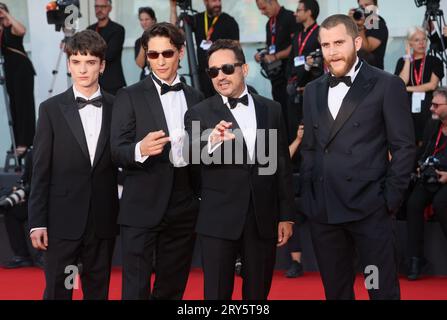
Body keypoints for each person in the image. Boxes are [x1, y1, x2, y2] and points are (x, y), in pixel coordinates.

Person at [301, 14, 416, 300]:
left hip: (369, 214)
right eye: (326, 45)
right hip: (325, 214)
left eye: (338, 43)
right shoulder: (313, 90)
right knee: (336, 292)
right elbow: (310, 149)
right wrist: (310, 197)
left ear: (356, 42)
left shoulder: (386, 85)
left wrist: (388, 201)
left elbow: (404, 148)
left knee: (379, 290)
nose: (332, 52)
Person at [184, 39, 296, 300]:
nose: (220, 76)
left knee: (257, 294)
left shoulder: (271, 109)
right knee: (216, 295)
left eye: (226, 68)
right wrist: (210, 140)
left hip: (262, 219)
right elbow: (189, 156)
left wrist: (286, 215)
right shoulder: (199, 112)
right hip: (218, 220)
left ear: (244, 69)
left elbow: (279, 165)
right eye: (213, 72)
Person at [111, 22, 203, 300]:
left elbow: (199, 151)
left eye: (167, 53)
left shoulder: (196, 97)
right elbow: (116, 150)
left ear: (181, 52)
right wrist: (140, 148)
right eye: (153, 55)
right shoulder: (129, 95)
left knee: (172, 287)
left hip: (183, 203)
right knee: (135, 288)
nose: (160, 61)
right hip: (142, 201)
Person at [28, 30, 119, 300]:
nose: (83, 69)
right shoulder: (50, 109)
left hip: (102, 219)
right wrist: (37, 222)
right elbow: (40, 170)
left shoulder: (119, 106)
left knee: (97, 291)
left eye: (90, 62)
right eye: (77, 62)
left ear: (101, 66)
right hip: (62, 220)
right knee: (59, 290)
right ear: (68, 65)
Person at [405, 87, 447, 281]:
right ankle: (415, 258)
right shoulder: (432, 125)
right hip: (430, 177)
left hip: (446, 179)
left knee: (441, 203)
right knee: (413, 204)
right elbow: (424, 150)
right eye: (432, 104)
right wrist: (420, 166)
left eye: (436, 105)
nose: (431, 108)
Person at [170, 0, 239, 98]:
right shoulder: (198, 19)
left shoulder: (229, 21)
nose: (218, 4)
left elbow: (237, 51)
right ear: (205, 2)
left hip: (223, 74)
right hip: (203, 75)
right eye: (214, 1)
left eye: (219, 1)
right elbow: (174, 34)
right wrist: (173, 8)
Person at [255, 0, 299, 140]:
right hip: (275, 75)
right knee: (279, 110)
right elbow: (272, 46)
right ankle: (285, 143)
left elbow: (295, 46)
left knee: (291, 112)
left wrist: (275, 56)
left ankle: (294, 144)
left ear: (272, 2)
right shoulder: (270, 23)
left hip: (289, 73)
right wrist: (262, 54)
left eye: (263, 8)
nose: (262, 12)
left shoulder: (290, 17)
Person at [395, 26, 444, 146]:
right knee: (408, 142)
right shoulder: (402, 61)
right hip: (407, 107)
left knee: (426, 142)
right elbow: (401, 82)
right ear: (410, 43)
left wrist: (408, 89)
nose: (421, 43)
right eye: (417, 40)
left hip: (428, 107)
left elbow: (432, 85)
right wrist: (407, 57)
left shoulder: (434, 61)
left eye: (424, 40)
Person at [0, 2, 36, 156]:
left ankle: (25, 141)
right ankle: (17, 139)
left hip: (22, 69)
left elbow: (22, 30)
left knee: (24, 105)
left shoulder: (12, 27)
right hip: (9, 69)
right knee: (13, 105)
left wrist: (6, 15)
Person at [0, 148, 43, 269]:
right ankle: (21, 256)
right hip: (34, 198)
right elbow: (26, 180)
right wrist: (21, 192)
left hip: (55, 201)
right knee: (12, 211)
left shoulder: (62, 152)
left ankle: (43, 256)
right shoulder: (32, 153)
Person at [286, 0, 321, 137]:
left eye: (299, 10)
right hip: (293, 88)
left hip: (310, 88)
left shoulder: (319, 33)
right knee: (293, 129)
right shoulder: (298, 35)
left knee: (309, 130)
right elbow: (291, 60)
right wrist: (289, 79)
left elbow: (319, 65)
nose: (295, 13)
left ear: (309, 12)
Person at [88, 0, 126, 95]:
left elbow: (109, 54)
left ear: (110, 8)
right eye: (96, 7)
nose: (99, 9)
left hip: (112, 83)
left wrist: (90, 52)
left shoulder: (118, 29)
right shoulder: (90, 29)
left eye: (103, 7)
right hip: (93, 81)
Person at [348, 0, 388, 70]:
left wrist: (360, 27)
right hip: (355, 70)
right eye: (361, 6)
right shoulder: (358, 23)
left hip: (373, 73)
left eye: (367, 5)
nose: (364, 9)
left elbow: (366, 49)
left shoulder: (378, 24)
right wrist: (348, 22)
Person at [135, 7, 157, 81]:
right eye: (141, 20)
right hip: (145, 78)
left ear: (153, 20)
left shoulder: (161, 38)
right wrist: (144, 39)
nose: (144, 22)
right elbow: (140, 64)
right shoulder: (139, 41)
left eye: (147, 19)